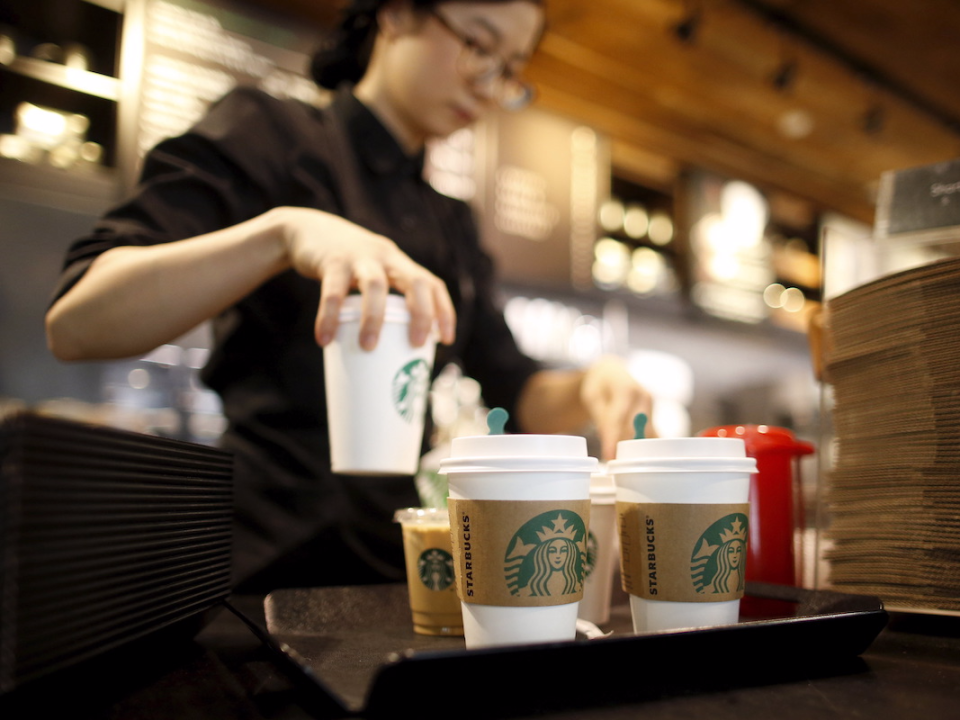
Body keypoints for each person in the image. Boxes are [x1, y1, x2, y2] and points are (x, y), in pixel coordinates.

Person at [45, 0, 654, 591]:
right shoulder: (268, 134)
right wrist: (284, 234)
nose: (490, 85)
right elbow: (78, 323)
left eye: (511, 70)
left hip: (394, 565)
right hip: (254, 559)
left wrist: (586, 384)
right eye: (478, 45)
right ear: (394, 14)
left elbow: (514, 389)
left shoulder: (449, 222)